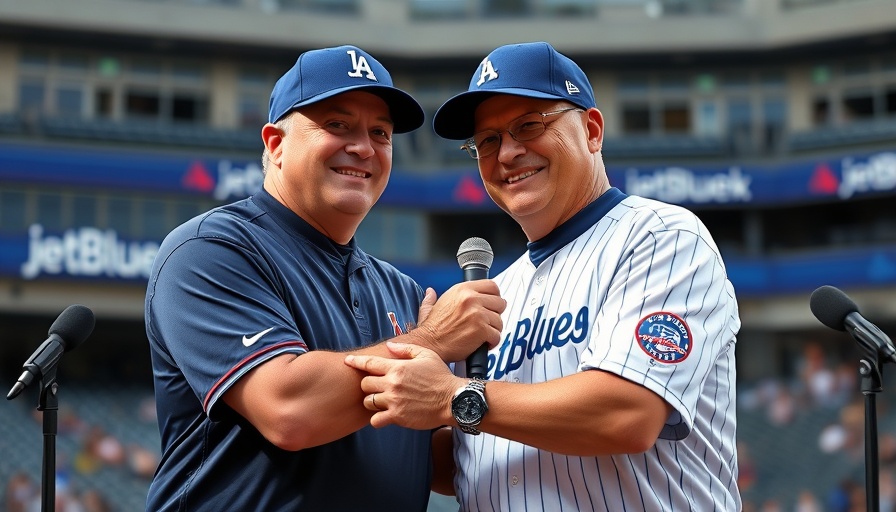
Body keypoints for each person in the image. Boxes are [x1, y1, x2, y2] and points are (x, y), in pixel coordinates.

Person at [345, 41, 741, 511]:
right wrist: (416, 384)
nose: (507, 153)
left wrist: (452, 396)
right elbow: (470, 460)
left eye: (529, 126)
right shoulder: (495, 294)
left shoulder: (660, 236)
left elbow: (626, 413)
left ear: (592, 131)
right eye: (487, 141)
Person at [144, 44, 505, 511]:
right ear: (275, 144)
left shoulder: (403, 291)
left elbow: (437, 462)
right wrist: (434, 338)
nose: (364, 147)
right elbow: (289, 411)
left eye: (381, 132)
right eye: (337, 125)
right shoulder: (210, 250)